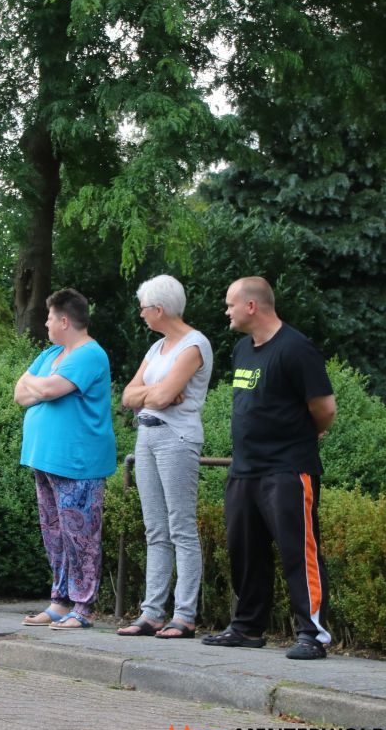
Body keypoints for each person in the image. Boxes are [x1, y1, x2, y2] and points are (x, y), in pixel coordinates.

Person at [203, 276, 336, 660]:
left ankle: (312, 634)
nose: (226, 311)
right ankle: (247, 628)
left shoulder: (296, 349)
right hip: (245, 469)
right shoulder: (242, 350)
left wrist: (305, 434)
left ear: (251, 306)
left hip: (288, 468)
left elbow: (325, 409)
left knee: (298, 551)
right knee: (246, 552)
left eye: (230, 304)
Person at [118, 275, 213, 639]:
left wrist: (155, 394)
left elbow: (156, 397)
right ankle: (152, 612)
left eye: (143, 308)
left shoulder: (194, 345)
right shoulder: (157, 348)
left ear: (158, 309)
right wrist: (160, 392)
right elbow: (128, 396)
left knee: (181, 527)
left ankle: (184, 616)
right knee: (155, 528)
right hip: (146, 435)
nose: (140, 314)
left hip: (176, 437)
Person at [15, 288, 116, 629]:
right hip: (44, 458)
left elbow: (44, 390)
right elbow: (19, 394)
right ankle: (59, 601)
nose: (45, 324)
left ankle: (83, 607)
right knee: (55, 534)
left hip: (78, 462)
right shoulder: (52, 354)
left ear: (64, 321)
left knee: (81, 536)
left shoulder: (89, 354)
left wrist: (36, 384)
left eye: (48, 318)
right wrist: (39, 385)